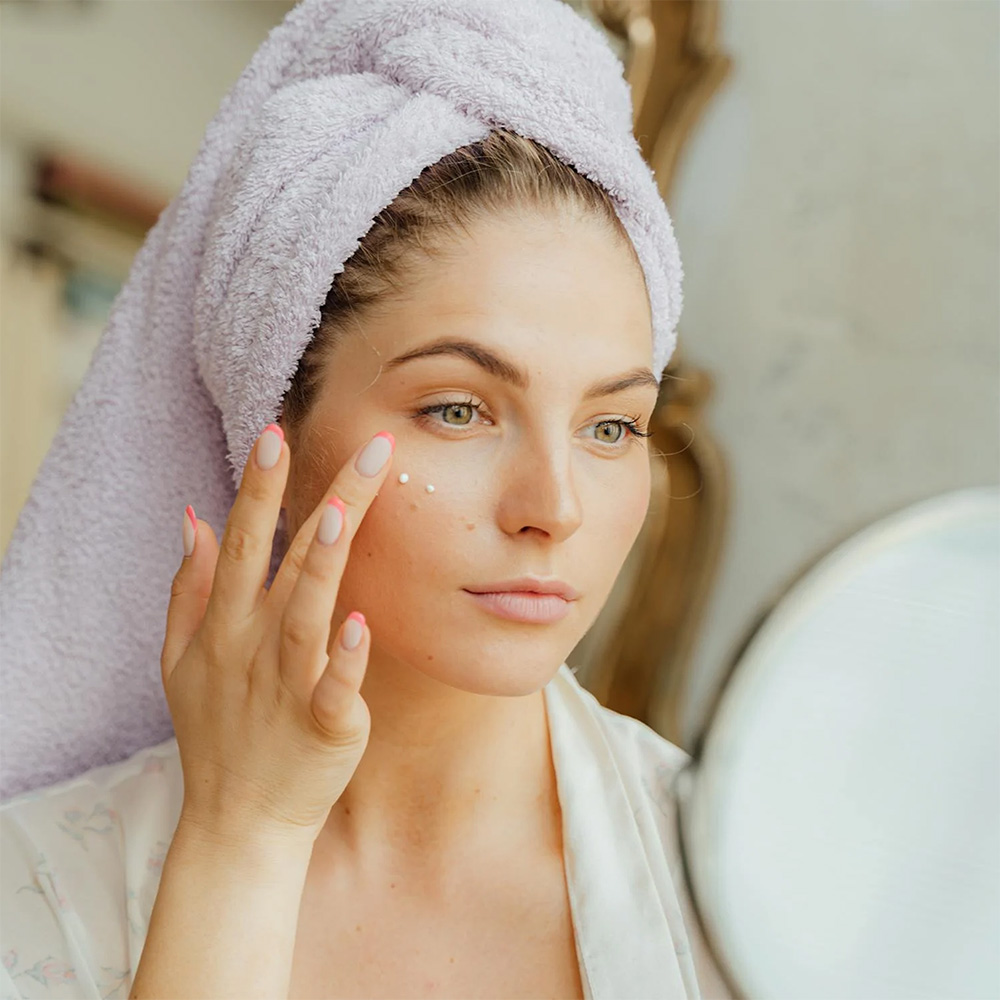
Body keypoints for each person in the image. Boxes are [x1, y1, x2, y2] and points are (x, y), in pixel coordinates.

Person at [0, 2, 735, 998]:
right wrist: (239, 842)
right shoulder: (44, 881)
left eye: (611, 427)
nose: (552, 507)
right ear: (277, 422)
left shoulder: (749, 889)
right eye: (458, 409)